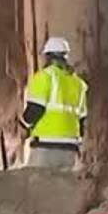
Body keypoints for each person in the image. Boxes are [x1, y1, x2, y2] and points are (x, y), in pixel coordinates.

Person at [20, 36, 88, 170]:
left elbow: (35, 110)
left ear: (48, 57)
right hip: (70, 150)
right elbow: (81, 120)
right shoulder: (79, 84)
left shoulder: (45, 76)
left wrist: (24, 125)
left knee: (35, 188)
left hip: (45, 146)